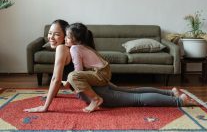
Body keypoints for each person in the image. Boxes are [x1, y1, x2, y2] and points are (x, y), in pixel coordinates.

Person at [24, 22, 196, 113]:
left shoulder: (66, 48)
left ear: (67, 37)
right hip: (99, 82)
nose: (51, 37)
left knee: (137, 99)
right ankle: (170, 93)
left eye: (57, 34)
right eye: (50, 33)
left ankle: (178, 101)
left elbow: (57, 78)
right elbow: (61, 79)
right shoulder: (75, 47)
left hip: (99, 91)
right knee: (133, 92)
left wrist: (45, 106)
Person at [63, 23, 111, 112]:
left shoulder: (74, 48)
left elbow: (78, 70)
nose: (65, 38)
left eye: (68, 37)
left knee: (72, 76)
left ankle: (95, 99)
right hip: (103, 72)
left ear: (76, 39)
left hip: (101, 74)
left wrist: (70, 81)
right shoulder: (83, 46)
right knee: (72, 76)